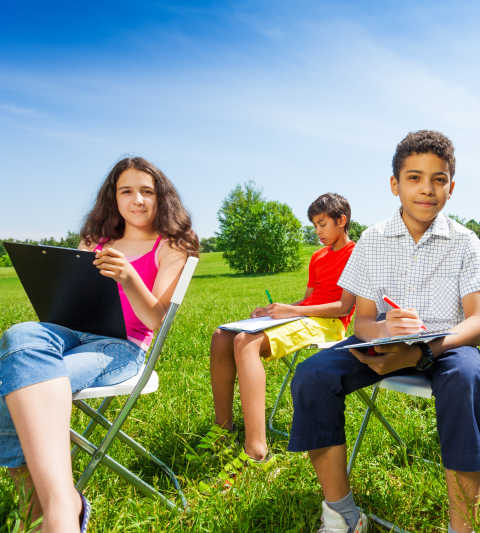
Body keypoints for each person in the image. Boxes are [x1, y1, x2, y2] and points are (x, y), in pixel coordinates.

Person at [288, 130, 480, 533]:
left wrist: (421, 354)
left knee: (469, 379)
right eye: (414, 178)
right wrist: (384, 328)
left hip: (447, 345)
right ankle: (342, 513)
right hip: (382, 345)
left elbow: (479, 323)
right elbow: (363, 320)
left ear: (451, 188)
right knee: (312, 374)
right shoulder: (373, 240)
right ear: (394, 185)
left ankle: (462, 526)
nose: (427, 189)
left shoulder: (465, 242)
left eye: (438, 180)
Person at [0, 156, 197, 532]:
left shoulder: (170, 246)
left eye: (146, 191)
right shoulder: (96, 240)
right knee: (20, 335)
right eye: (127, 191)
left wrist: (128, 277)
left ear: (161, 198)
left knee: (16, 381)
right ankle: (59, 499)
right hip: (70, 330)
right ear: (114, 197)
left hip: (123, 345)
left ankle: (46, 506)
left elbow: (157, 319)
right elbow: (71, 297)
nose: (137, 200)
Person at [201, 193, 356, 490]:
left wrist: (293, 311)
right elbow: (310, 299)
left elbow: (344, 307)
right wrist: (275, 311)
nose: (318, 231)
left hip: (330, 325)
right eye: (314, 226)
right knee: (222, 337)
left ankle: (256, 450)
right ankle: (223, 429)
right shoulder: (317, 257)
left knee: (246, 342)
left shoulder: (355, 254)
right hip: (305, 317)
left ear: (342, 220)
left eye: (322, 224)